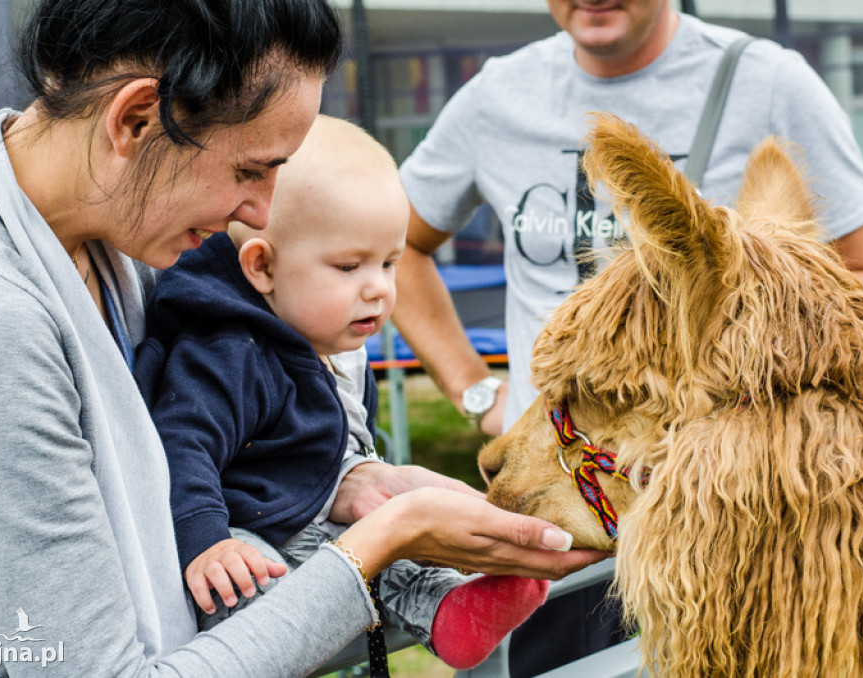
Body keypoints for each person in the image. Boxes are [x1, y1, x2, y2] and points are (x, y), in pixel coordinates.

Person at [0, 1, 605, 676]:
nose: (261, 212)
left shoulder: (118, 227)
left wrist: (348, 481)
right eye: (251, 170)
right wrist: (386, 539)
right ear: (134, 119)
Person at [392, 0, 863, 674]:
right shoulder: (497, 96)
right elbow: (400, 245)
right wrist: (477, 392)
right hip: (562, 482)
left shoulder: (771, 82)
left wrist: (728, 327)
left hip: (719, 516)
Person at [133, 115, 551, 671]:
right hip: (248, 526)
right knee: (244, 582)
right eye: (350, 266)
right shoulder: (229, 350)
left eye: (389, 262)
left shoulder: (331, 336)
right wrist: (204, 540)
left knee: (398, 554)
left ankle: (450, 608)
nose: (378, 287)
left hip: (316, 514)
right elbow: (182, 446)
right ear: (263, 266)